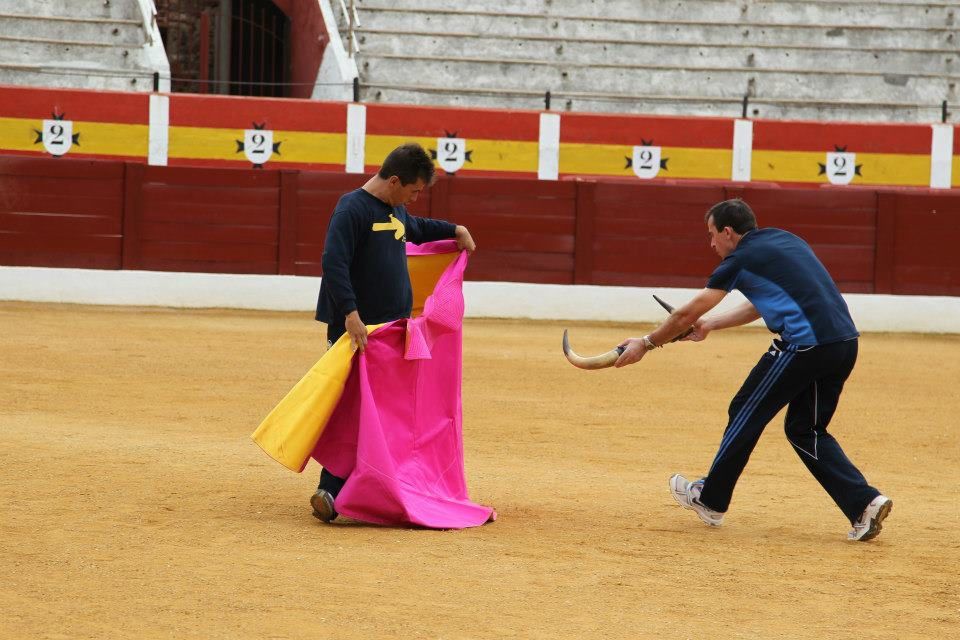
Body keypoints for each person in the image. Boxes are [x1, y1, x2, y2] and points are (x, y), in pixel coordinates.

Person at [614, 198, 891, 542]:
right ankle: (864, 504)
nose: (711, 243)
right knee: (807, 430)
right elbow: (759, 303)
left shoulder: (738, 260)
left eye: (712, 234)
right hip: (843, 344)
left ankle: (711, 499)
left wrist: (647, 342)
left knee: (745, 410)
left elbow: (685, 314)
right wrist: (711, 324)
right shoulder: (785, 240)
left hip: (804, 346)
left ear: (728, 232)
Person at [310, 142, 476, 522]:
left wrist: (455, 229)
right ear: (396, 180)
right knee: (353, 408)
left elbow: (417, 229)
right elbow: (333, 263)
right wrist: (350, 315)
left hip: (391, 329)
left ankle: (366, 486)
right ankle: (330, 489)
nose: (416, 198)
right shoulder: (351, 208)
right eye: (415, 190)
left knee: (383, 413)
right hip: (358, 329)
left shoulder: (396, 209)